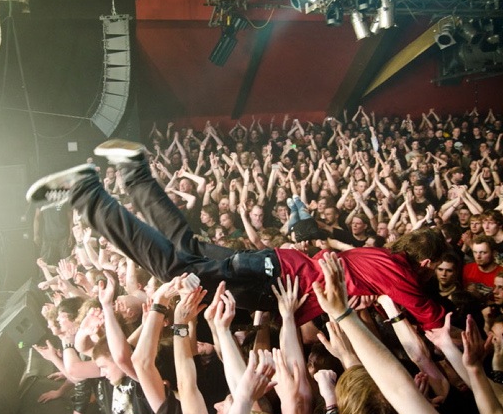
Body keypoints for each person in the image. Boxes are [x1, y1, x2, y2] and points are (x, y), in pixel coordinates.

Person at [27, 139, 448, 331]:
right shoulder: (400, 273)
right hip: (275, 285)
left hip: (274, 263)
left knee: (184, 245)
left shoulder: (376, 254)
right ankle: (87, 191)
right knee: (170, 269)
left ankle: (134, 169)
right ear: (424, 263)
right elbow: (431, 316)